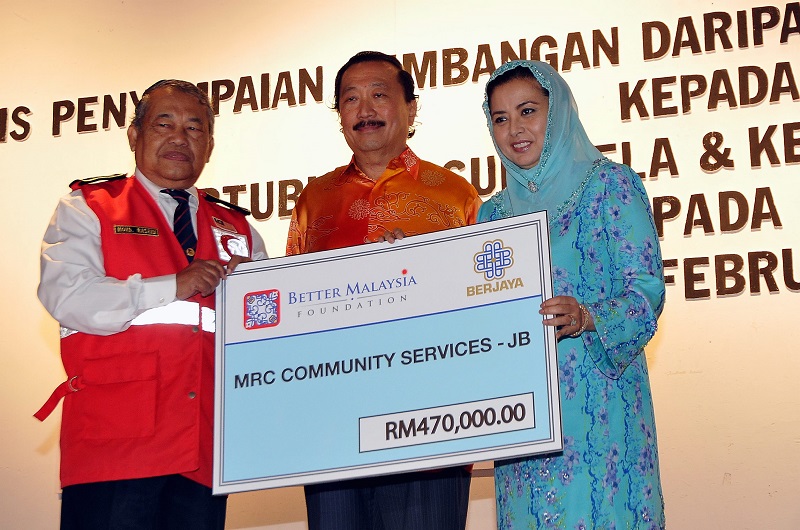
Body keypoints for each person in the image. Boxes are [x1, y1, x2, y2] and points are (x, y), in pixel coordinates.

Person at [35, 79, 268, 530]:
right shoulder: (90, 208)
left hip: (204, 452)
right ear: (134, 135)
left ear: (210, 145)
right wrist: (170, 286)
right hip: (115, 450)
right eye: (165, 123)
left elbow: (268, 333)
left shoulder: (238, 229)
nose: (180, 137)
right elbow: (68, 296)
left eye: (194, 128)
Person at [286, 51, 481, 530]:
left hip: (431, 423)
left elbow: (483, 303)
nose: (364, 108)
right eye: (350, 99)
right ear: (339, 116)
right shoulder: (315, 200)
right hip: (333, 426)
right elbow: (291, 310)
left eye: (379, 95)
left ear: (411, 110)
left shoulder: (455, 195)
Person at [478, 60, 666, 529]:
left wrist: (588, 316)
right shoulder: (492, 215)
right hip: (524, 419)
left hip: (600, 407)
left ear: (557, 112)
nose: (515, 129)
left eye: (527, 111)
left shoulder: (610, 186)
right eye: (500, 118)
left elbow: (645, 291)